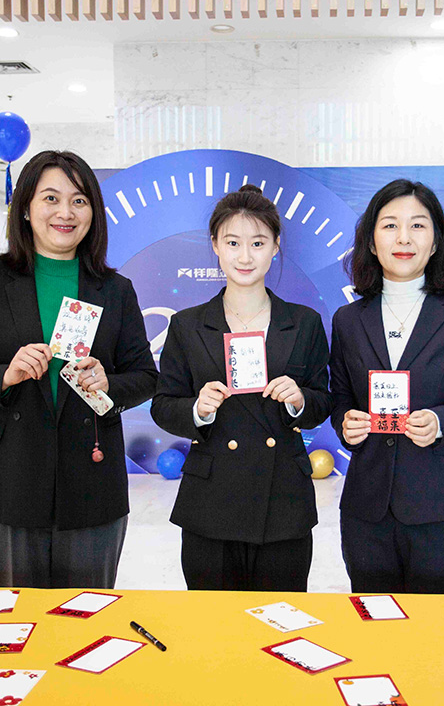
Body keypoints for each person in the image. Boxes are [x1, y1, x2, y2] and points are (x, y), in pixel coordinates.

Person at [0, 150, 158, 589]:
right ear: (25, 208)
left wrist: (108, 382)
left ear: (93, 212)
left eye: (79, 200)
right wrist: (4, 375)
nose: (65, 213)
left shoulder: (115, 290)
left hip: (91, 483)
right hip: (5, 480)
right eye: (50, 198)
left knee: (86, 618)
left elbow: (145, 376)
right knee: (12, 618)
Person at [151, 184, 332, 592]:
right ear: (215, 245)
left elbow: (324, 401)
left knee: (281, 619)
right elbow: (163, 404)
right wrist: (198, 409)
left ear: (275, 246)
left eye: (258, 243)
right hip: (210, 501)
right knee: (214, 624)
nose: (245, 256)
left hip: (283, 500)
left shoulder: (304, 322)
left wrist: (300, 401)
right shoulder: (187, 325)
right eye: (233, 242)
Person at [330, 179, 444, 594]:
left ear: (436, 240)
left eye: (418, 225)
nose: (404, 238)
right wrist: (346, 423)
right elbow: (340, 399)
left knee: (443, 626)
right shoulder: (347, 320)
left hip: (441, 505)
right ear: (371, 242)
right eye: (390, 225)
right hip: (367, 510)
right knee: (376, 624)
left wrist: (442, 422)